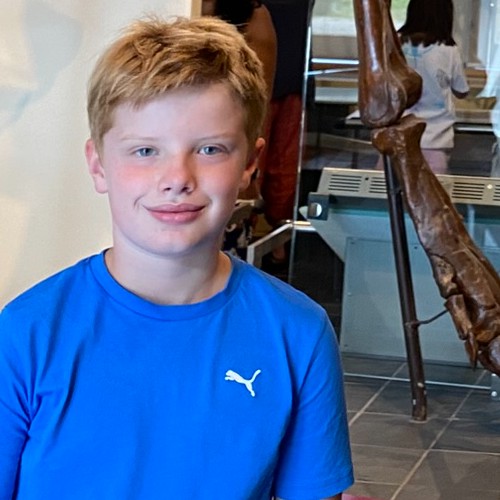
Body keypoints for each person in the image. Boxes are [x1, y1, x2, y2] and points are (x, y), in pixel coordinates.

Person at [0, 15, 353, 500]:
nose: (177, 178)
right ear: (98, 165)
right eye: (145, 150)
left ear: (250, 163)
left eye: (209, 149)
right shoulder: (26, 333)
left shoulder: (298, 334)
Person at [395, 0, 470, 174]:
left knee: (392, 185)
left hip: (399, 136)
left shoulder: (396, 43)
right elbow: (461, 90)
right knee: (433, 188)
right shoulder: (449, 49)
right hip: (436, 138)